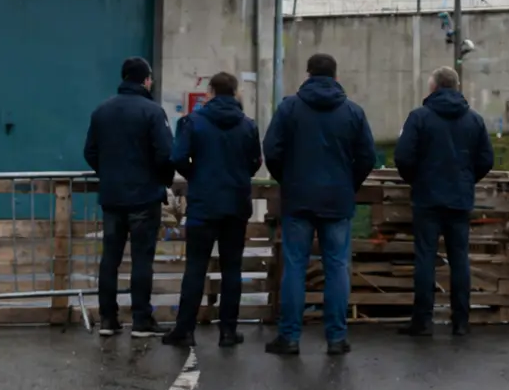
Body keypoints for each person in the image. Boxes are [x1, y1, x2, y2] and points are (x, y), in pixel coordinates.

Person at [262, 52, 376, 356]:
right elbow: (367, 156)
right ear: (336, 77)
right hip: (337, 200)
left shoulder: (289, 108)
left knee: (295, 267)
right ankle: (336, 338)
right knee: (337, 267)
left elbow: (271, 150)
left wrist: (287, 179)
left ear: (308, 75)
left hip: (298, 199)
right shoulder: (352, 111)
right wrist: (348, 184)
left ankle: (289, 337)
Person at [393, 66, 494, 337]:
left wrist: (416, 178)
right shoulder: (474, 120)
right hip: (460, 198)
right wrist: (466, 179)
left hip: (427, 197)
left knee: (425, 258)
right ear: (457, 87)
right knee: (459, 258)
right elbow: (486, 159)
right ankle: (460, 321)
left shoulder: (419, 117)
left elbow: (403, 156)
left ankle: (422, 320)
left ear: (434, 87)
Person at [162, 72, 261, 349]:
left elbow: (178, 157)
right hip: (236, 204)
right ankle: (228, 331)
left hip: (204, 204)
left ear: (211, 91)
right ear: (236, 92)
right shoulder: (248, 125)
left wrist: (196, 175)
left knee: (195, 267)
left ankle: (185, 330)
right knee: (232, 269)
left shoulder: (193, 122)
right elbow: (255, 161)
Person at [83, 56, 175, 338]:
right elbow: (165, 154)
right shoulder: (153, 112)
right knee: (141, 259)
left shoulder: (102, 111)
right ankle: (141, 320)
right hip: (144, 197)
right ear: (146, 80)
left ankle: (108, 319)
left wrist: (109, 173)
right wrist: (161, 181)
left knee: (110, 258)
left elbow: (90, 152)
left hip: (112, 197)